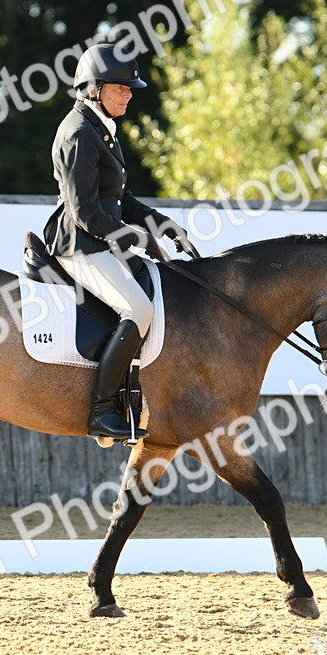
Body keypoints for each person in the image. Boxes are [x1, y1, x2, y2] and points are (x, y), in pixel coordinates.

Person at [42, 43, 197, 440]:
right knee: (138, 309)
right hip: (78, 243)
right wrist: (139, 238)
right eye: (121, 88)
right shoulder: (79, 133)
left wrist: (161, 225)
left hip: (98, 238)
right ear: (93, 88)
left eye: (130, 88)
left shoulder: (100, 129)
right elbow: (88, 213)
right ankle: (101, 410)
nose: (129, 94)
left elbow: (120, 200)